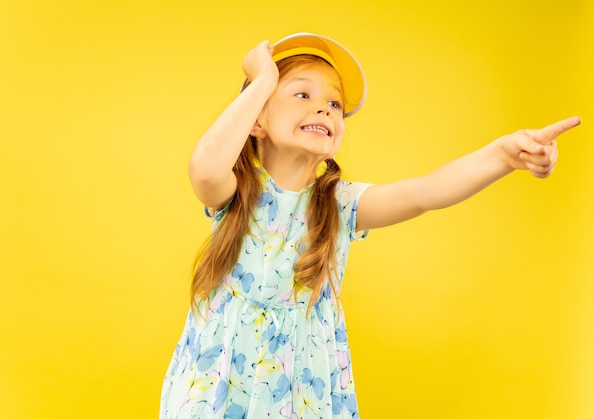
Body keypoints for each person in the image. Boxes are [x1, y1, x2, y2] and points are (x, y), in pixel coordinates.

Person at [160, 33, 581, 418]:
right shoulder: (237, 192)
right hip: (218, 388)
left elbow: (427, 192)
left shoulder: (340, 204)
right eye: (302, 94)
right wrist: (264, 79)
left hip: (303, 396)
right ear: (257, 120)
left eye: (334, 104)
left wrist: (503, 156)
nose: (323, 107)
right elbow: (205, 165)